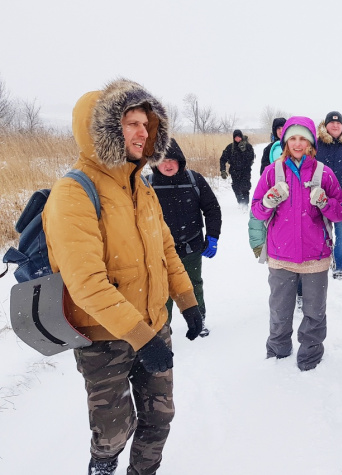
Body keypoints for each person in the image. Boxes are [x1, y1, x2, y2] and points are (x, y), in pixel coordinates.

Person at [42, 79, 203, 474]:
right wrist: (139, 337)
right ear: (102, 129)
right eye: (131, 122)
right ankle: (103, 466)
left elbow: (165, 250)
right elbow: (85, 283)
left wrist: (188, 301)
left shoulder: (141, 185)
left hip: (154, 325)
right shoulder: (73, 193)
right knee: (114, 432)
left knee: (158, 419)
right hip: (104, 338)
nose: (143, 131)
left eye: (146, 123)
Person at [251, 116, 342, 371]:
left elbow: (341, 213)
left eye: (302, 138)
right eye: (292, 138)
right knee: (279, 312)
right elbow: (257, 211)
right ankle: (277, 351)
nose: (297, 143)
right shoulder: (272, 172)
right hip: (281, 255)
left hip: (315, 256)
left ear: (311, 143)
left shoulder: (323, 173)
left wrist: (325, 202)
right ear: (285, 142)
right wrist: (269, 201)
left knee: (314, 314)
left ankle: (310, 355)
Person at [150, 137, 222, 338]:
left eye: (172, 160)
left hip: (191, 246)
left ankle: (199, 319)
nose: (168, 165)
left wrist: (213, 236)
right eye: (163, 160)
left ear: (180, 161)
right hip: (159, 251)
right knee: (162, 291)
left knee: (192, 284)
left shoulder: (194, 179)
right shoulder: (147, 185)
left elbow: (212, 209)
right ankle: (164, 326)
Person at [316, 111, 342, 280]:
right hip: (318, 199)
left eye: (338, 123)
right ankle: (319, 266)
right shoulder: (316, 146)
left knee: (341, 237)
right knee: (320, 235)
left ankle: (338, 268)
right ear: (325, 126)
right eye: (332, 123)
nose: (335, 125)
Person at [220, 129, 255, 207]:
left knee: (245, 187)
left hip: (245, 170)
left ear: (241, 137)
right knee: (236, 188)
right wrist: (223, 170)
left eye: (239, 137)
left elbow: (251, 158)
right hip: (234, 171)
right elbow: (222, 159)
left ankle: (245, 204)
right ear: (233, 138)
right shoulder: (230, 148)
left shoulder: (248, 146)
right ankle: (240, 202)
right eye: (236, 137)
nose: (238, 139)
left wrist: (244, 151)